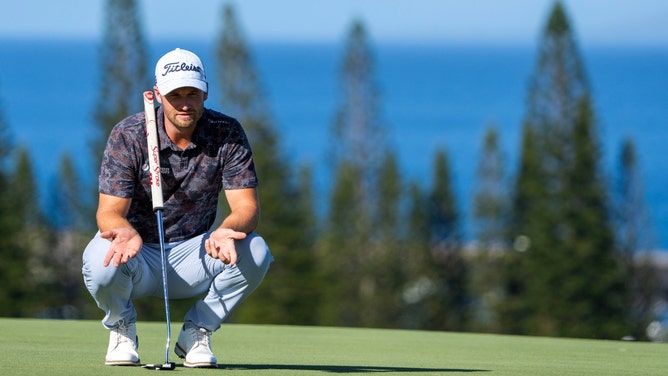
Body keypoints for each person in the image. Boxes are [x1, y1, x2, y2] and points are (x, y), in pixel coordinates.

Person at [82, 48, 273, 368]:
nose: (185, 103)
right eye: (175, 95)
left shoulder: (227, 132)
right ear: (157, 94)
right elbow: (108, 212)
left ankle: (198, 330)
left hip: (196, 254)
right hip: (138, 254)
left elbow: (246, 206)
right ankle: (121, 327)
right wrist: (124, 229)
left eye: (192, 94)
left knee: (255, 250)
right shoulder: (129, 134)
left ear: (205, 92)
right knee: (100, 260)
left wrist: (229, 229)